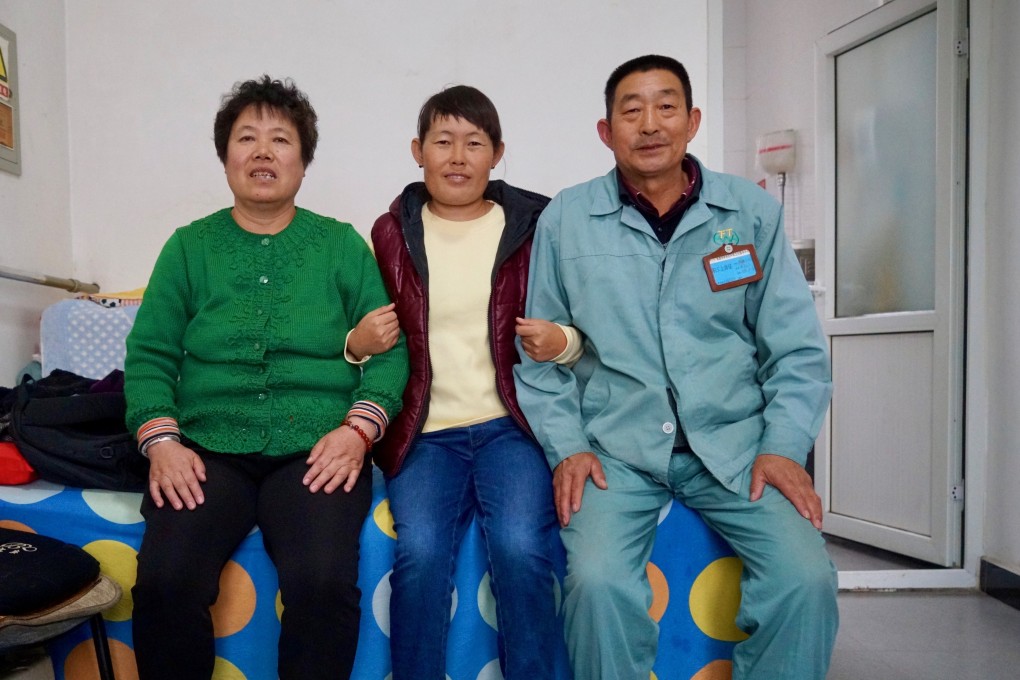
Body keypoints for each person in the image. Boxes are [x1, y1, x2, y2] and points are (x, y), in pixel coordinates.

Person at [514, 55, 838, 679]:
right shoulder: (566, 221)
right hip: (617, 451)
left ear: (692, 122)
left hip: (737, 448)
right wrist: (568, 448)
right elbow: (538, 356)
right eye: (631, 110)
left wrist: (782, 447)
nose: (650, 124)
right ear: (605, 131)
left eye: (666, 107)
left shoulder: (749, 214)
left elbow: (796, 350)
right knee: (598, 584)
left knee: (805, 581)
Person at [123, 75, 409, 680]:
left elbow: (389, 351)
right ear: (225, 155)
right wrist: (162, 442)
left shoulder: (340, 245)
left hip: (316, 449)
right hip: (205, 449)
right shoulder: (188, 247)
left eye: (280, 139)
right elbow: (149, 356)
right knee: (167, 582)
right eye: (246, 137)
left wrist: (357, 432)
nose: (262, 151)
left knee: (323, 583)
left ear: (303, 161)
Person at [347, 85, 576, 680]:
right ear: (417, 151)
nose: (457, 157)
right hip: (425, 434)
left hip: (511, 428)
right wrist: (355, 344)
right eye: (443, 141)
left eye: (474, 143)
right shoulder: (389, 233)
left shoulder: (535, 227)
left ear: (497, 154)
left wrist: (564, 342)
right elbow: (364, 333)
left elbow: (582, 321)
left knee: (522, 550)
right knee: (420, 556)